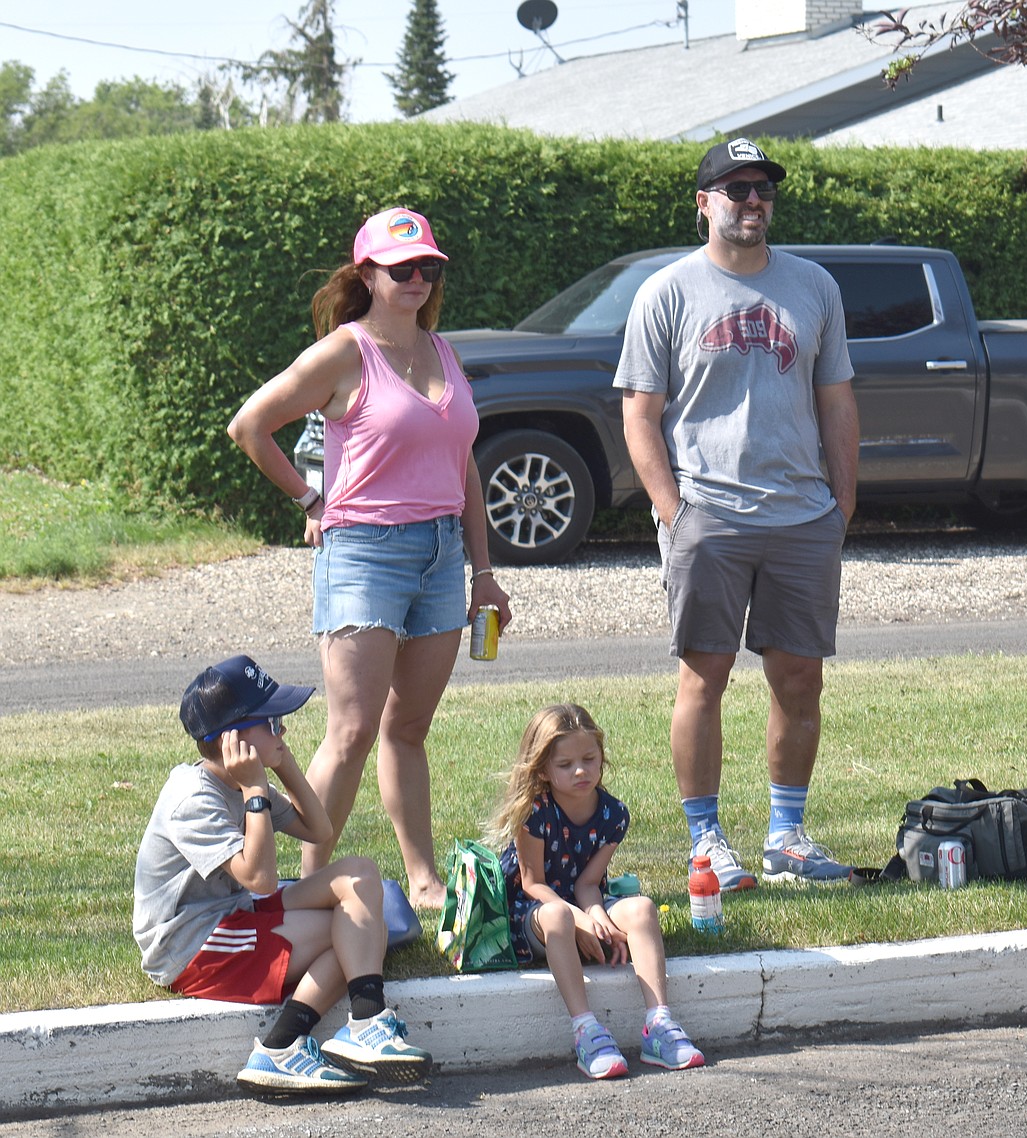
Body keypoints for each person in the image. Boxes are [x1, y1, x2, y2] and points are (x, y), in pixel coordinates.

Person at [228, 208, 511, 909]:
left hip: (443, 555)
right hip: (363, 554)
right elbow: (250, 426)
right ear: (367, 274)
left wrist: (483, 570)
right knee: (351, 730)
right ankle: (299, 884)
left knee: (408, 728)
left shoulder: (443, 351)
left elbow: (464, 465)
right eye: (401, 268)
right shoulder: (346, 351)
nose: (417, 279)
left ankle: (422, 879)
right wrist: (309, 500)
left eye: (428, 268)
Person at [613, 137, 860, 891]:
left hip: (801, 517)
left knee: (799, 680)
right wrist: (675, 512)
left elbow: (838, 402)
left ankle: (786, 836)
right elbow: (639, 415)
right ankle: (706, 840)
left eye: (763, 190)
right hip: (708, 514)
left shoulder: (814, 287)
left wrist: (840, 505)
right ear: (704, 202)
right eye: (736, 189)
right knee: (703, 680)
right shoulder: (667, 293)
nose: (753, 202)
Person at [132, 654, 432, 1095]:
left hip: (233, 912)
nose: (283, 729)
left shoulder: (242, 781)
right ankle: (282, 1046)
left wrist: (281, 763)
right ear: (231, 738)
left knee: (359, 877)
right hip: (192, 944)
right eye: (272, 723)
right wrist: (256, 789)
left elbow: (318, 829)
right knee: (348, 930)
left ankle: (366, 1024)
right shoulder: (194, 799)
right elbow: (262, 880)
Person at [485, 703, 705, 1081]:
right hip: (532, 912)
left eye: (589, 758)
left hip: (582, 902)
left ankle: (659, 1024)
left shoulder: (612, 814)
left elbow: (587, 883)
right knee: (558, 915)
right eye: (566, 764)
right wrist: (578, 920)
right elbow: (531, 882)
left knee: (641, 909)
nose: (581, 770)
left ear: (602, 756)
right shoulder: (534, 812)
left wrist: (599, 919)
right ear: (542, 769)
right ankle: (586, 1030)